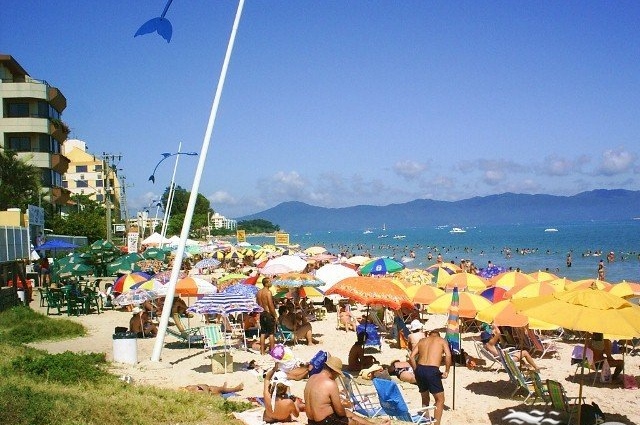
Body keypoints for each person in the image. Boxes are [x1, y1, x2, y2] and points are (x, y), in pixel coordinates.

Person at [304, 355, 390, 425]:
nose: (337, 377)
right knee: (353, 422)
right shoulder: (330, 383)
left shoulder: (312, 378)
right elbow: (340, 411)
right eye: (337, 374)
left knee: (349, 413)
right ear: (334, 371)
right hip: (325, 422)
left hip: (311, 421)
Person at [409, 330, 452, 424]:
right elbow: (448, 355)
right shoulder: (441, 341)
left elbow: (411, 356)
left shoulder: (422, 341)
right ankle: (437, 423)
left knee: (424, 398)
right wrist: (447, 371)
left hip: (420, 369)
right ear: (439, 336)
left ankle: (426, 420)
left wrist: (416, 370)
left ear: (429, 335)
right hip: (432, 370)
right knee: (440, 400)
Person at [257, 277, 278, 355]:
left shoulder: (258, 292)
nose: (271, 283)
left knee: (262, 333)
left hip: (262, 313)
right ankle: (272, 351)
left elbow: (258, 304)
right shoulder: (268, 292)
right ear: (266, 283)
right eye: (270, 282)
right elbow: (270, 305)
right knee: (271, 333)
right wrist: (275, 315)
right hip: (268, 313)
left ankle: (262, 351)